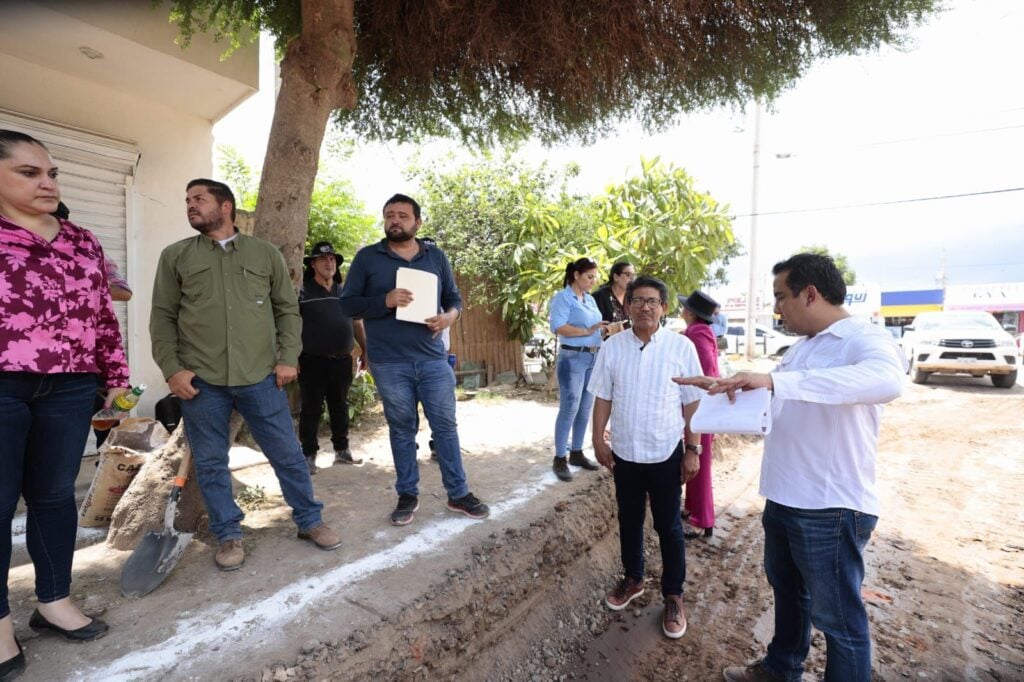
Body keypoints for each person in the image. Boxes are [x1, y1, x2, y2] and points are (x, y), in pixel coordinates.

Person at [674, 253, 906, 682]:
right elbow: (774, 399)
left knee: (839, 620)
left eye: (782, 297)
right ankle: (782, 668)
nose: (778, 308)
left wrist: (777, 381)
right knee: (789, 594)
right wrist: (723, 389)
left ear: (811, 294)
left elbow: (887, 382)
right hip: (784, 493)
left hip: (829, 504)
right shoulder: (801, 349)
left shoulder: (862, 339)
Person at [150, 178, 341, 573]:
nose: (190, 206)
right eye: (187, 200)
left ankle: (309, 521)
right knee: (211, 462)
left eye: (198, 199)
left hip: (260, 377)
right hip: (201, 382)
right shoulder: (176, 257)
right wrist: (172, 370)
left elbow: (287, 310)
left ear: (225, 207)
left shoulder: (264, 254)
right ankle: (228, 534)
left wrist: (288, 357)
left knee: (287, 454)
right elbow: (163, 318)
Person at [1, 130, 129, 675]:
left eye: (51, 173)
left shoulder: (82, 240)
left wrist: (118, 384)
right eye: (30, 172)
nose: (47, 182)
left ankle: (53, 602)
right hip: (3, 384)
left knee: (54, 497)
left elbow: (103, 315)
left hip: (72, 385)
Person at [338, 193, 489, 526]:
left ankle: (458, 493)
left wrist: (449, 317)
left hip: (433, 361)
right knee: (402, 430)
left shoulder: (436, 257)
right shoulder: (367, 258)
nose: (395, 220)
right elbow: (347, 306)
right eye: (389, 214)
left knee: (446, 429)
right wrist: (385, 300)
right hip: (389, 363)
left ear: (417, 222)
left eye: (403, 215)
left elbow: (454, 299)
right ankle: (407, 494)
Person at [589, 276, 704, 640]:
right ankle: (634, 578)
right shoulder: (613, 347)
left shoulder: (681, 347)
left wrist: (693, 448)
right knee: (629, 518)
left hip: (665, 451)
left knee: (668, 525)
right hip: (625, 451)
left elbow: (692, 403)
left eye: (652, 301)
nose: (644, 307)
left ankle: (673, 595)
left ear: (663, 308)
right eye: (637, 300)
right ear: (626, 306)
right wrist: (597, 439)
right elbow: (603, 396)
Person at [52, 202, 135, 452]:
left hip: (89, 357)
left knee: (108, 425)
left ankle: (106, 471)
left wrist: (80, 287)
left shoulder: (83, 249)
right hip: (40, 363)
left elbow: (124, 291)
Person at [298, 240, 368, 473]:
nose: (329, 263)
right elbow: (290, 327)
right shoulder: (302, 292)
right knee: (311, 409)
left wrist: (366, 351)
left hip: (342, 360)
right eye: (323, 259)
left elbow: (357, 323)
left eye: (332, 260)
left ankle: (342, 451)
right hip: (311, 361)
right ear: (313, 264)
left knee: (339, 406)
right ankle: (308, 455)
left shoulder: (345, 292)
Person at [547, 257, 608, 482]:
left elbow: (594, 328)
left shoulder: (590, 299)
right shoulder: (562, 298)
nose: (594, 281)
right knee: (569, 407)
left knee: (585, 408)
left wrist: (605, 329)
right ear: (576, 275)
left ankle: (576, 452)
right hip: (572, 357)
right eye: (589, 276)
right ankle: (559, 458)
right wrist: (587, 331)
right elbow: (558, 327)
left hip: (593, 356)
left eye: (595, 277)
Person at [677, 290, 721, 540]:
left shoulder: (696, 333)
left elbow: (705, 370)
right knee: (695, 459)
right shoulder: (701, 331)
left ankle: (702, 520)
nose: (681, 310)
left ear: (691, 313)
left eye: (684, 308)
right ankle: (693, 509)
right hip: (702, 404)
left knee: (698, 462)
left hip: (700, 405)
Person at [592, 260, 635, 334]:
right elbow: (592, 326)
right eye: (628, 274)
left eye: (633, 275)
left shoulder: (631, 297)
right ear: (616, 277)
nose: (631, 278)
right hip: (606, 343)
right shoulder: (600, 296)